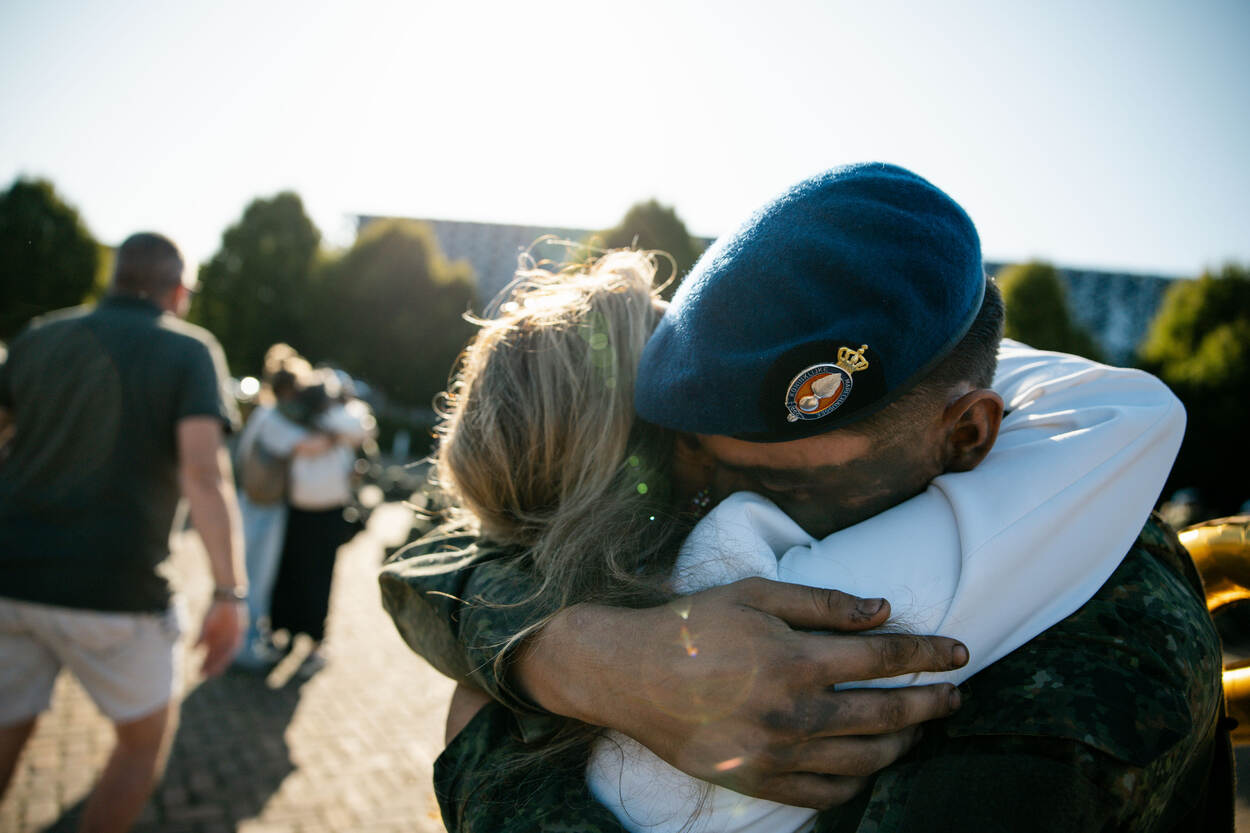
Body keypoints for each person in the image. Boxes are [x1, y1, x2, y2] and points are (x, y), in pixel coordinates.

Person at [383, 164, 1227, 831]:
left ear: (969, 433)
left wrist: (481, 745)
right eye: (694, 469)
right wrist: (576, 655)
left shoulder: (1085, 659)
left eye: (781, 485)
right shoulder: (829, 411)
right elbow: (436, 548)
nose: (720, 516)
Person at [0, 232, 247, 833]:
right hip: (118, 589)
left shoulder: (37, 336)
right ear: (178, 291)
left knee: (5, 729)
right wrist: (228, 593)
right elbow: (203, 474)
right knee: (140, 746)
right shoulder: (189, 349)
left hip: (11, 576)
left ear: (114, 277)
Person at [231, 344, 330, 671]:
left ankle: (246, 641)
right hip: (263, 506)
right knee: (255, 575)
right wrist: (333, 435)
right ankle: (244, 645)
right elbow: (307, 446)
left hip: (257, 502)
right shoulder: (274, 418)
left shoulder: (264, 414)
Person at [268, 366, 373, 671]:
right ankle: (285, 633)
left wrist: (327, 426)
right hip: (296, 507)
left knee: (319, 577)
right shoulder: (293, 415)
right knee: (290, 574)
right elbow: (289, 443)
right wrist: (329, 434)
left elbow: (361, 429)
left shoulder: (340, 416)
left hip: (329, 510)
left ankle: (315, 640)